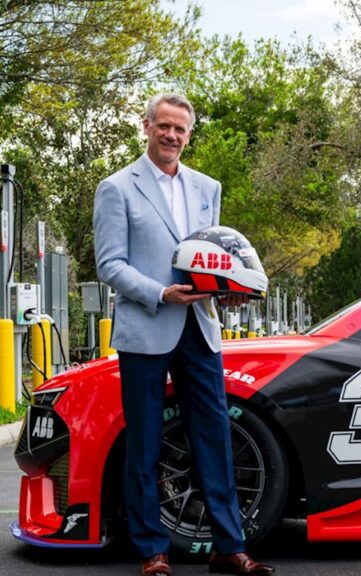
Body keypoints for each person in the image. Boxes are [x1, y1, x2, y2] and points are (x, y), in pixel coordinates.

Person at [94, 93, 275, 576]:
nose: (172, 135)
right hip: (147, 328)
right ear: (147, 126)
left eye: (180, 129)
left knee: (215, 437)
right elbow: (109, 264)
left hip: (200, 330)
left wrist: (229, 292)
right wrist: (160, 293)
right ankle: (153, 551)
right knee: (146, 444)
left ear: (189, 135)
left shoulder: (206, 187)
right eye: (164, 126)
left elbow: (213, 257)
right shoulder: (115, 188)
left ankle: (228, 547)